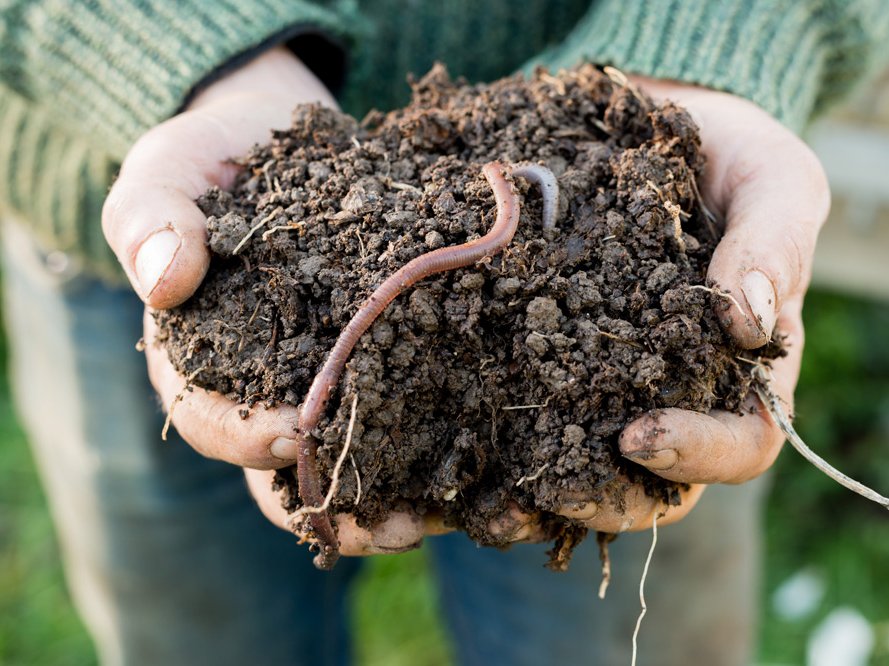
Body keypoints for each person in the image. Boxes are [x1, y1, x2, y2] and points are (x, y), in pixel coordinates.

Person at [2, 1, 887, 664]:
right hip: (170, 218)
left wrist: (720, 44)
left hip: (631, 303)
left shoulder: (637, 209)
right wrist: (189, 52)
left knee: (619, 513)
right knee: (200, 634)